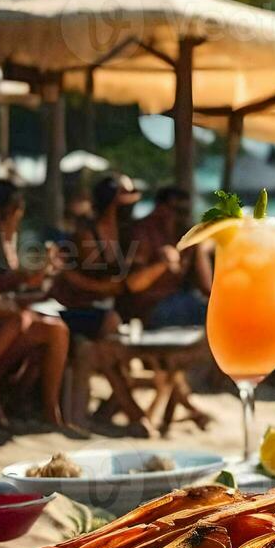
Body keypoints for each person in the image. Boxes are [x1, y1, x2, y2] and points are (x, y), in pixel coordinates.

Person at [52, 174, 164, 431]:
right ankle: (133, 415)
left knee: (107, 348)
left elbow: (131, 282)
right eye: (127, 194)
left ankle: (121, 413)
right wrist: (111, 287)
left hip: (108, 313)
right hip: (80, 312)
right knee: (107, 343)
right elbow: (73, 279)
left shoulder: (126, 234)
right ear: (113, 201)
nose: (134, 199)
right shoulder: (87, 235)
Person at [0, 181, 70, 427]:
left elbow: (9, 287)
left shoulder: (6, 239)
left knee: (56, 328)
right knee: (18, 319)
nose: (18, 212)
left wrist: (38, 278)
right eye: (15, 206)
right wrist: (24, 278)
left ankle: (48, 410)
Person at [122, 187, 210, 329]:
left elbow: (206, 287)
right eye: (177, 210)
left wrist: (200, 246)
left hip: (178, 302)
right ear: (160, 208)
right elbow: (133, 284)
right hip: (149, 308)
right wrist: (163, 264)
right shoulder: (142, 232)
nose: (182, 216)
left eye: (186, 211)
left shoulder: (186, 234)